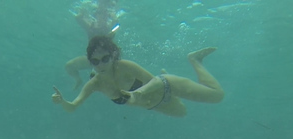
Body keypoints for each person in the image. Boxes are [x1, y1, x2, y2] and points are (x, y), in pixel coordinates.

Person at [52, 36, 224, 117]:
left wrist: (138, 94)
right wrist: (62, 102)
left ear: (113, 56)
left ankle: (194, 60)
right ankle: (172, 73)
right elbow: (73, 106)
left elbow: (155, 81)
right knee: (182, 113)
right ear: (90, 62)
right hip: (157, 106)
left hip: (167, 86)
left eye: (105, 58)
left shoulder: (125, 66)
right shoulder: (95, 84)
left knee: (217, 96)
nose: (101, 64)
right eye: (95, 61)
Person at [66, 0, 121, 90]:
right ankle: (78, 80)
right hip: (92, 58)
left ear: (107, 17)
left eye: (105, 16)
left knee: (96, 76)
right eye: (99, 15)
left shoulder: (109, 27)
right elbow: (79, 19)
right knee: (69, 66)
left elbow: (117, 26)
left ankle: (102, 80)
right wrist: (82, 11)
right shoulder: (91, 27)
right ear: (95, 16)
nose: (102, 18)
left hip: (106, 60)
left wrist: (114, 21)